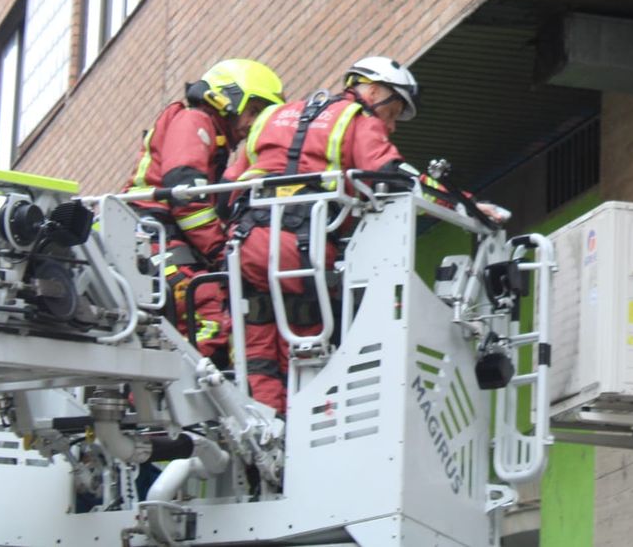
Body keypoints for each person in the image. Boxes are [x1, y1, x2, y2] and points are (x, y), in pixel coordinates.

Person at [223, 56, 506, 414]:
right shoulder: (357, 119)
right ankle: (309, 421)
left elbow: (227, 187)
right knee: (319, 345)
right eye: (394, 111)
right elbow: (393, 176)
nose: (392, 125)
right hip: (302, 249)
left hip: (246, 246)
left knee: (258, 344)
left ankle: (264, 424)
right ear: (373, 91)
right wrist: (468, 206)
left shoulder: (272, 116)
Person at [125, 58, 285, 357]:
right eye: (253, 111)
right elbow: (186, 197)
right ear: (226, 99)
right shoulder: (194, 121)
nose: (254, 124)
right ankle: (178, 383)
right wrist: (222, 251)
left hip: (160, 235)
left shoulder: (214, 138)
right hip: (149, 233)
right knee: (208, 311)